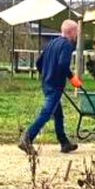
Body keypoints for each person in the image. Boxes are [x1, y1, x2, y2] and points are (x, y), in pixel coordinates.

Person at [18, 19, 83, 154]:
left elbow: (38, 63)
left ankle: (64, 142)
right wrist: (71, 78)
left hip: (46, 83)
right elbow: (63, 64)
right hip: (55, 86)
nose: (77, 35)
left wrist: (47, 74)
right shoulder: (67, 45)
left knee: (58, 114)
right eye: (76, 32)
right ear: (71, 32)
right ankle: (28, 138)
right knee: (46, 114)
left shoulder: (52, 43)